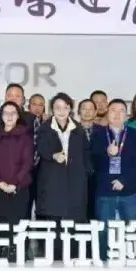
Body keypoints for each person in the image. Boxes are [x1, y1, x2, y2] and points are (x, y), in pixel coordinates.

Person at [35, 93, 91, 259]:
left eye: (65, 107)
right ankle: (55, 259)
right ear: (52, 109)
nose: (61, 111)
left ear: (70, 109)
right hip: (53, 182)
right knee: (55, 223)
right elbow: (40, 149)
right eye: (57, 107)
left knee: (74, 222)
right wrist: (53, 155)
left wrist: (86, 172)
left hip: (75, 182)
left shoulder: (78, 129)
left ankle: (73, 258)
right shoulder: (44, 128)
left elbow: (86, 153)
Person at [90, 98, 136, 260]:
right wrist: (106, 152)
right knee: (104, 230)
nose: (117, 114)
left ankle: (129, 262)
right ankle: (102, 262)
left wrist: (124, 180)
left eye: (121, 111)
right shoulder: (98, 134)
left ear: (127, 115)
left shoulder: (135, 135)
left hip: (129, 191)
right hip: (105, 191)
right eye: (113, 110)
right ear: (107, 112)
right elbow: (92, 162)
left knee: (130, 230)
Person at [0, 101, 34, 261]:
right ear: (1, 116)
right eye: (6, 113)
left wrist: (14, 183)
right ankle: (4, 251)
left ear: (18, 115)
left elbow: (27, 163)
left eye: (13, 113)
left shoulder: (25, 137)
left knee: (19, 221)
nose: (9, 116)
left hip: (20, 187)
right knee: (3, 221)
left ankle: (18, 253)